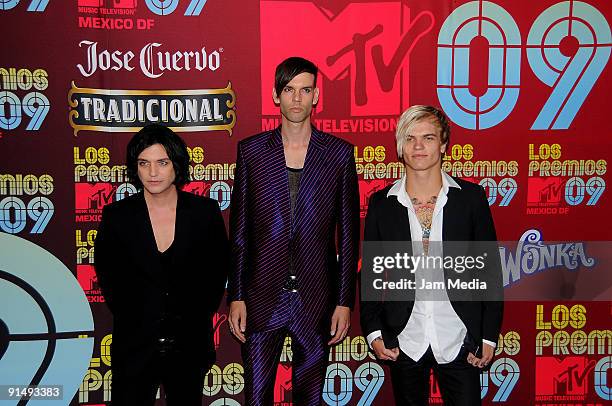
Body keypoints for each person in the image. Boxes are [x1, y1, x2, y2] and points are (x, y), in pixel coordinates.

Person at [227, 56, 360, 405]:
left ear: (316, 96)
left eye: (305, 90)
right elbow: (239, 233)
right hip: (260, 296)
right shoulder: (252, 152)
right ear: (276, 95)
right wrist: (237, 295)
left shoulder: (339, 155)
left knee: (310, 399)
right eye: (289, 90)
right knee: (256, 398)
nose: (297, 99)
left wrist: (345, 302)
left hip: (316, 297)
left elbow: (348, 237)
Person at [360, 105, 503, 405]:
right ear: (400, 146)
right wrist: (373, 331)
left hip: (460, 336)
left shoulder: (471, 199)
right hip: (404, 337)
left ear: (443, 144)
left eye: (428, 137)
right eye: (410, 138)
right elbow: (372, 275)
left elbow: (489, 271)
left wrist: (488, 335)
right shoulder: (381, 204)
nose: (419, 146)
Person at [94, 124, 229, 405]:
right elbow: (109, 278)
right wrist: (142, 320)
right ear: (135, 168)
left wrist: (191, 317)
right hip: (134, 347)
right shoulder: (117, 216)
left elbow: (216, 273)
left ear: (176, 165)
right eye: (144, 163)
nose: (153, 173)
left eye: (162, 163)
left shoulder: (205, 213)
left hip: (189, 347)